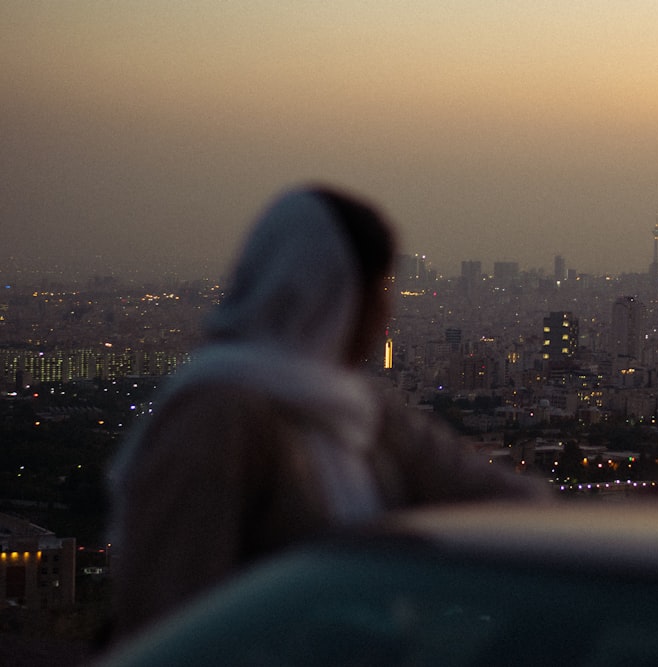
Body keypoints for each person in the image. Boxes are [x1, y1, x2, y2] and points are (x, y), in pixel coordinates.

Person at [108, 185, 549, 640]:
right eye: (378, 292)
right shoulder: (218, 417)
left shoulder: (356, 410)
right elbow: (174, 615)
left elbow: (505, 502)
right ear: (330, 293)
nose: (386, 315)